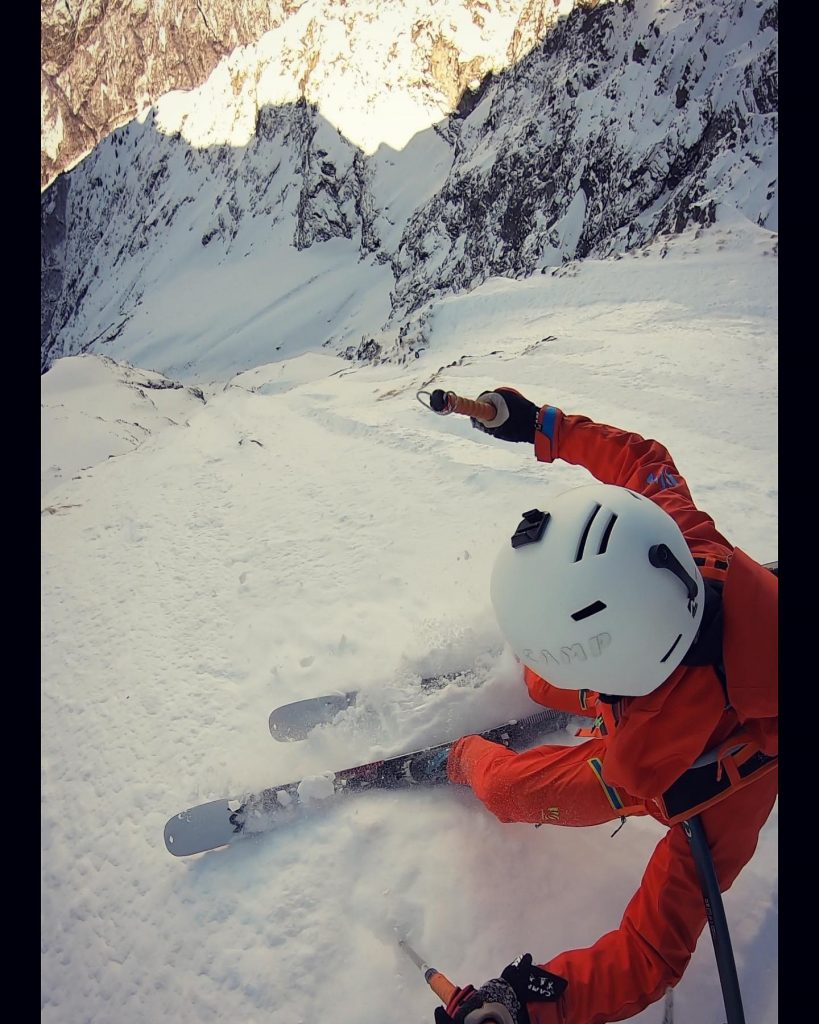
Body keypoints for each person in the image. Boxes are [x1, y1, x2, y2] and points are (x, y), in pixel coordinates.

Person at [433, 387, 778, 1024]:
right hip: (652, 701)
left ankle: (460, 761)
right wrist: (541, 426)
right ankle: (540, 686)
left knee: (511, 792)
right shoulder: (681, 541)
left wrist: (526, 1007)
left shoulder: (723, 796)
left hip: (672, 761)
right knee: (540, 683)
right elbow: (642, 463)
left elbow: (649, 953)